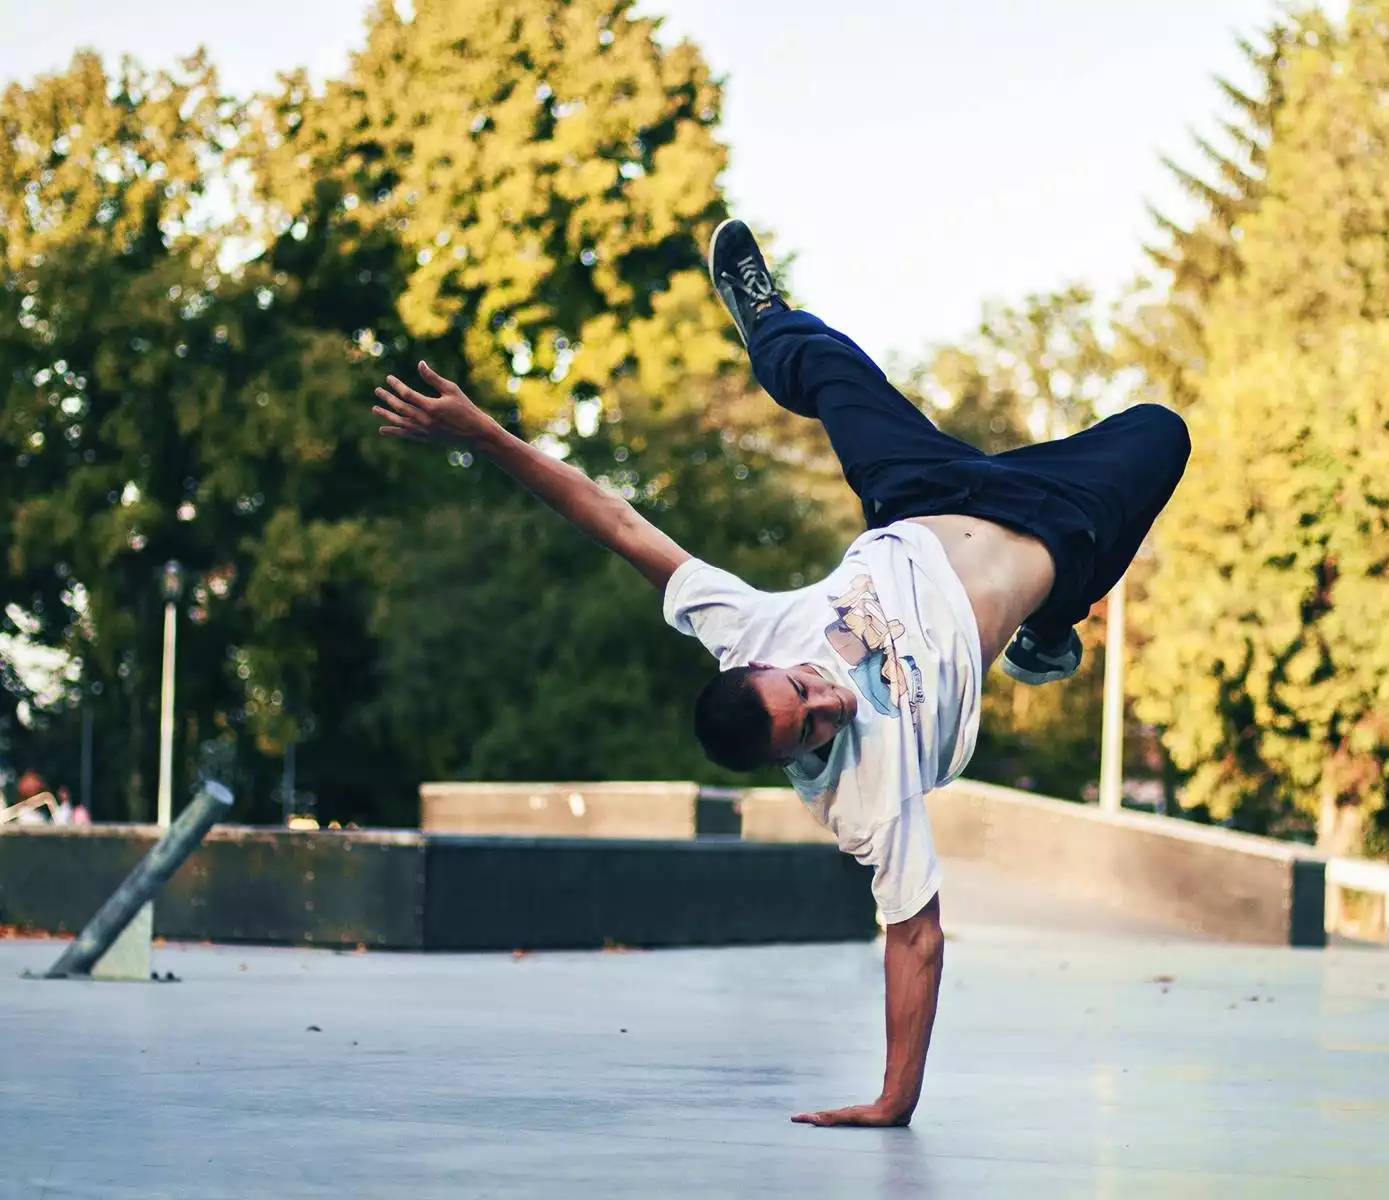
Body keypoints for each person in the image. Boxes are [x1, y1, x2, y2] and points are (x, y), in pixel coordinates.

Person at [372, 219, 1191, 1128]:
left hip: (918, 497)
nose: (829, 702)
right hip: (1048, 531)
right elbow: (915, 939)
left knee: (833, 371)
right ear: (790, 759)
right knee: (1160, 434)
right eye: (813, 728)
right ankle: (1051, 620)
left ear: (762, 665)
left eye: (803, 691)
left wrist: (485, 435)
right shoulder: (866, 801)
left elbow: (615, 521)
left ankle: (766, 325)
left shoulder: (746, 628)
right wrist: (894, 1101)